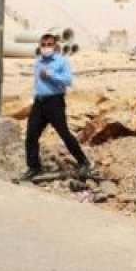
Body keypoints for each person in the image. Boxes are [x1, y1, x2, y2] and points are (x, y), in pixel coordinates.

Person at [18, 32, 92, 182]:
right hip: (39, 102)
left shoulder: (61, 61)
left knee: (64, 133)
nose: (46, 48)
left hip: (54, 102)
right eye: (43, 45)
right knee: (31, 135)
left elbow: (68, 81)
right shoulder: (38, 61)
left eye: (49, 45)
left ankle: (83, 161)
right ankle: (33, 167)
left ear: (55, 46)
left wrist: (51, 75)